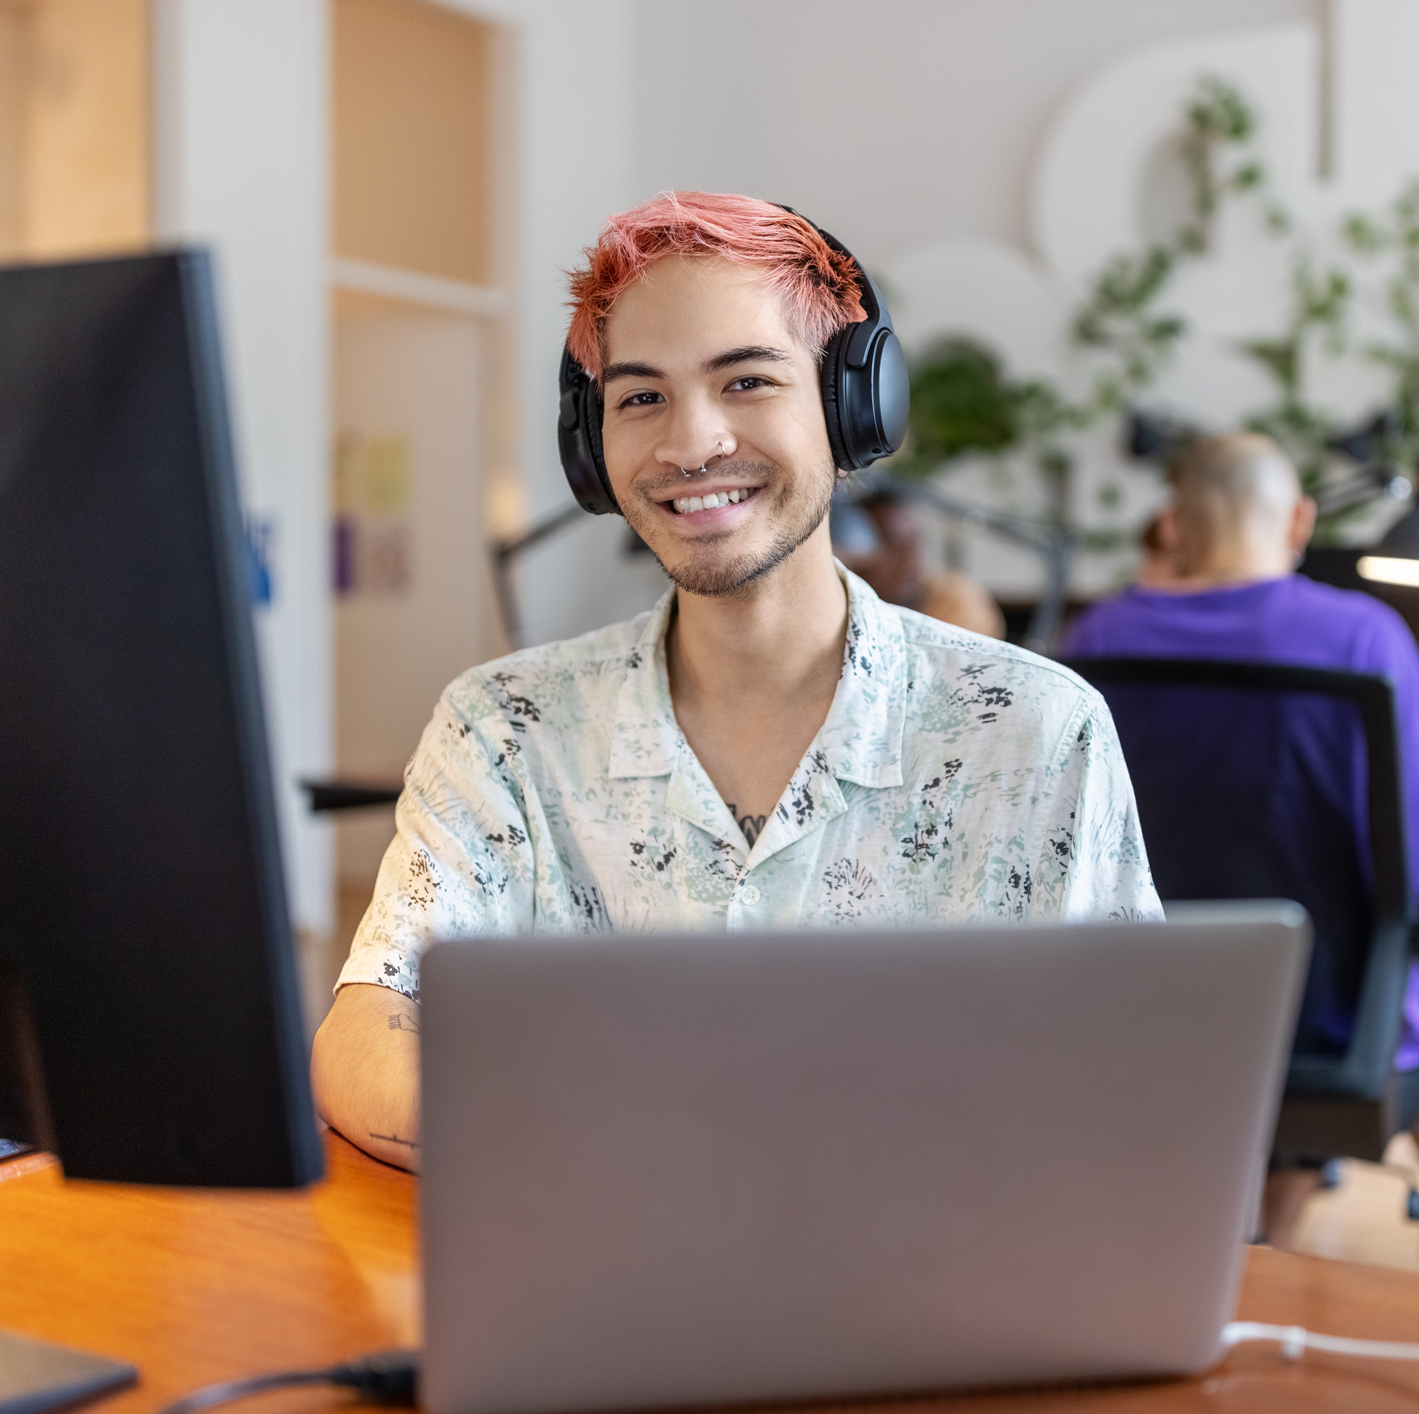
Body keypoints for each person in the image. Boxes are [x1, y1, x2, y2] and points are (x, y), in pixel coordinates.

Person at [313, 193, 1161, 1172]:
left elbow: (1121, 1091)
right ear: (592, 447)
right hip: (598, 1291)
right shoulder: (505, 727)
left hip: (931, 1299)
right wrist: (615, 1139)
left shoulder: (1033, 730)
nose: (689, 443)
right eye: (640, 397)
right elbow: (365, 1034)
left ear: (851, 411)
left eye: (747, 381)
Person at [1061, 431, 1419, 1267]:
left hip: (1142, 1004)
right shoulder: (1362, 637)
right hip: (1325, 1014)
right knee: (1390, 949)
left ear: (1175, 525)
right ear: (1300, 519)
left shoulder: (1097, 640)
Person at [838, 488, 1006, 638]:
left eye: (915, 542)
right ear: (854, 548)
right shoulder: (839, 600)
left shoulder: (957, 601)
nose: (911, 558)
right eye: (893, 545)